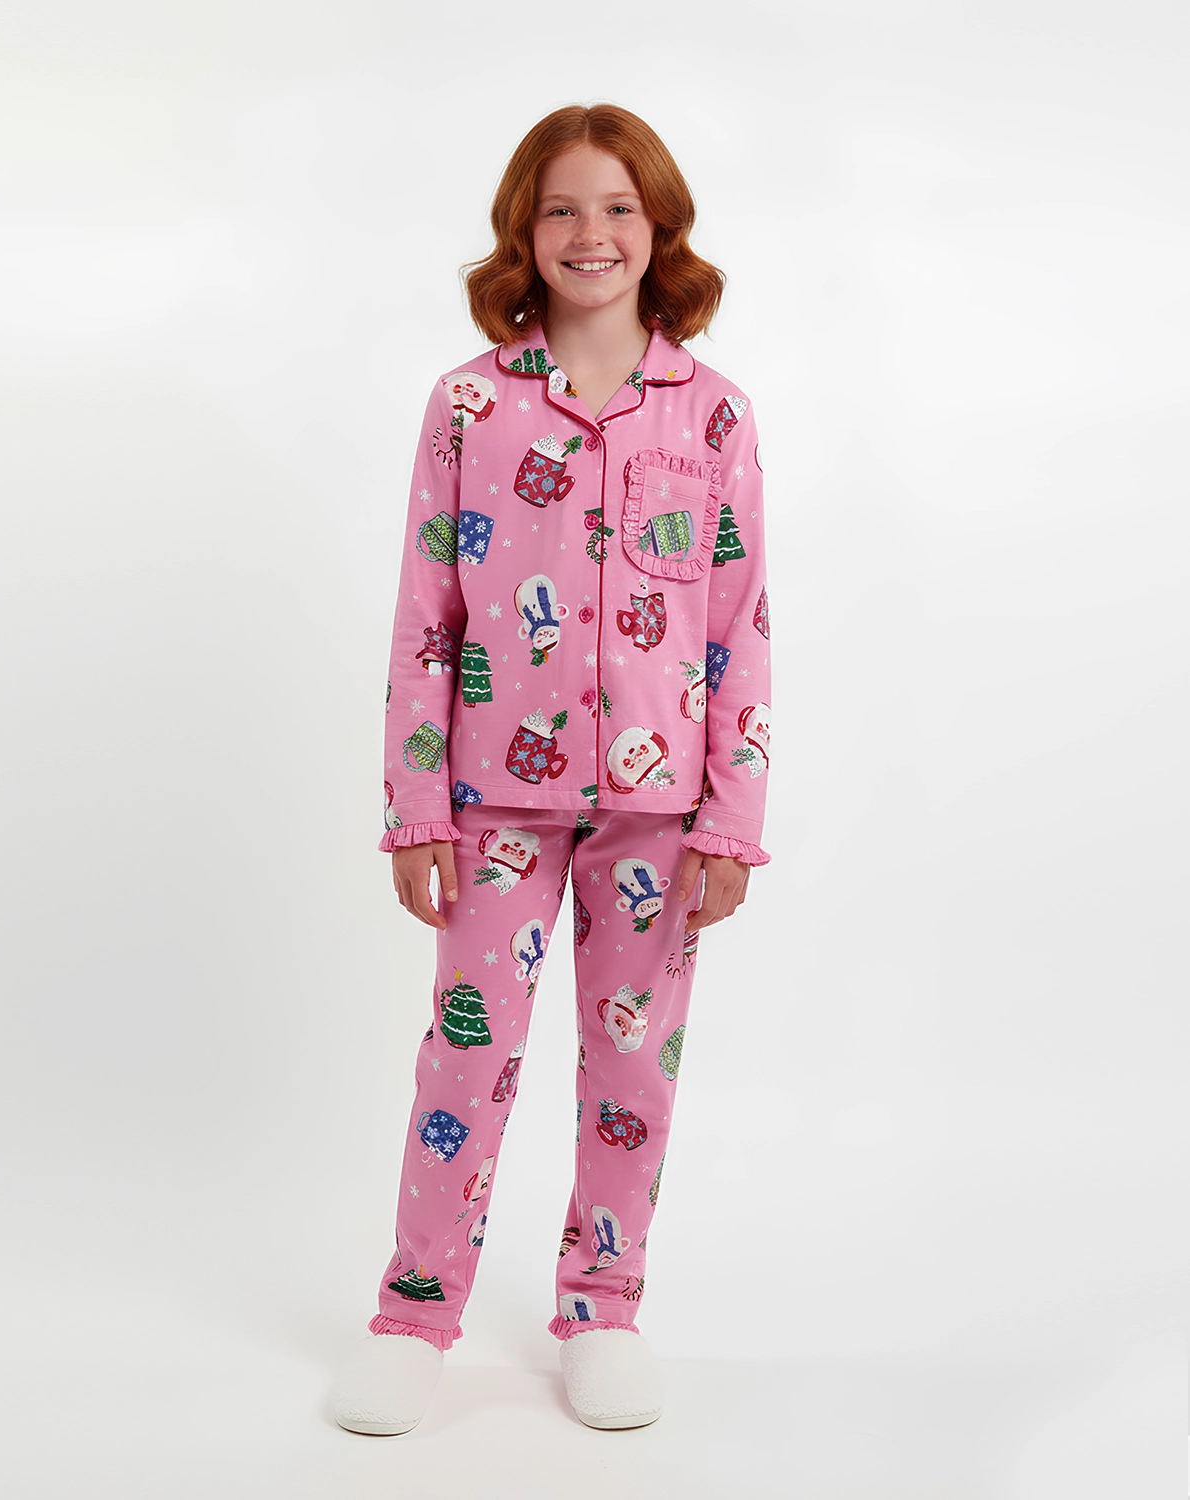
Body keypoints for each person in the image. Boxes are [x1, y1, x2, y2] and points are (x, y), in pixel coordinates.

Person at [329, 102, 771, 1435]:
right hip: (492, 806)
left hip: (659, 813)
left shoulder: (713, 414)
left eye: (619, 207)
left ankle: (604, 1307)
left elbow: (738, 626)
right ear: (524, 231)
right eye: (563, 208)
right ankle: (416, 1315)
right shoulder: (468, 405)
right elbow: (427, 618)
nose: (592, 233)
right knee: (465, 1063)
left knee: (632, 1071)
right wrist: (414, 804)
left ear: (659, 228)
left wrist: (731, 820)